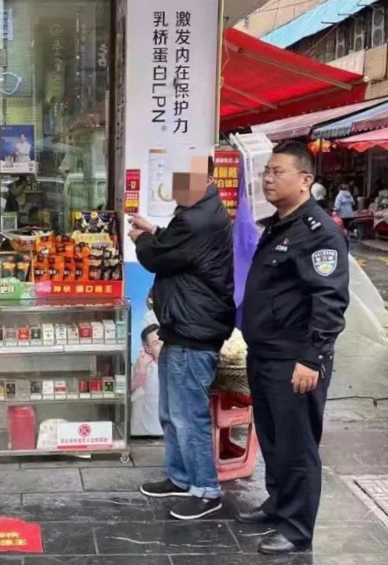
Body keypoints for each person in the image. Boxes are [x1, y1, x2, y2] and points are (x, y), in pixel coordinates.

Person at [240, 141, 350, 555]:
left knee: (297, 444)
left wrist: (311, 358)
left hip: (294, 358)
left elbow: (329, 301)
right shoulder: (279, 224)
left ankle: (297, 528)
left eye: (278, 172)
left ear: (305, 180)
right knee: (272, 438)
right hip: (265, 353)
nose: (268, 179)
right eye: (266, 171)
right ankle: (278, 503)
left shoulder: (319, 233)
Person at [128, 156, 235, 521]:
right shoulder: (199, 212)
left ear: (207, 180)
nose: (179, 190)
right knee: (172, 412)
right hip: (181, 326)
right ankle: (180, 476)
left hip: (195, 330)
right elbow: (179, 247)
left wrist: (143, 239)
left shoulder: (196, 218)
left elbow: (159, 257)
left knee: (189, 415)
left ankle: (206, 490)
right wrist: (156, 230)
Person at [131, 324, 164, 437]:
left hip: (169, 434)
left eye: (164, 340)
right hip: (144, 434)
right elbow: (127, 396)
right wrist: (141, 370)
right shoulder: (142, 366)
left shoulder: (178, 367)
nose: (163, 346)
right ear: (148, 349)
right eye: (156, 343)